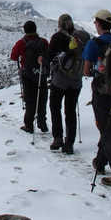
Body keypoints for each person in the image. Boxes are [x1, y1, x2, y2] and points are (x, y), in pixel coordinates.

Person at [82, 9, 111, 189]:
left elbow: (86, 71)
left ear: (99, 24)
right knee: (109, 126)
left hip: (102, 93)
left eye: (95, 22)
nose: (95, 24)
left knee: (107, 130)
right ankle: (100, 162)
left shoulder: (94, 44)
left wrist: (97, 71)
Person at [47, 13, 82, 153]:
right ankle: (69, 143)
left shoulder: (57, 37)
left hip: (59, 79)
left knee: (55, 107)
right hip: (76, 80)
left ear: (60, 24)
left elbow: (49, 56)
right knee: (71, 111)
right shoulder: (79, 38)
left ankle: (58, 138)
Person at [10, 20, 49, 133]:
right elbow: (48, 54)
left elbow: (13, 56)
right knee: (42, 98)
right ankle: (42, 123)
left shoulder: (21, 43)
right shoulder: (44, 42)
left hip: (27, 75)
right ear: (35, 29)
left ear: (25, 30)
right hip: (41, 74)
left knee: (30, 100)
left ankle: (29, 125)